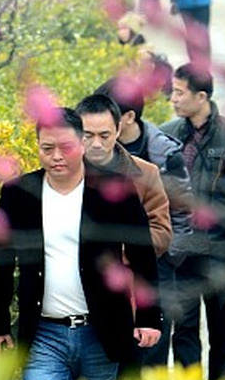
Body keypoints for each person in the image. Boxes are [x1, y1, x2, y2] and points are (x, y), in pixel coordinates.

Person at [0, 110, 161, 380]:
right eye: (47, 148)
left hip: (101, 329)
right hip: (44, 333)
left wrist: (149, 317)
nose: (56, 156)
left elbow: (142, 254)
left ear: (81, 144)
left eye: (65, 147)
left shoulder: (113, 189)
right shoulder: (19, 193)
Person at [145, 64, 225, 380]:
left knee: (221, 331)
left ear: (201, 96)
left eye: (178, 92)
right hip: (181, 250)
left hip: (219, 250)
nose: (172, 98)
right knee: (184, 328)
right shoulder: (166, 134)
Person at [74, 92, 172, 259]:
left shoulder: (145, 173)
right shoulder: (63, 171)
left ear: (118, 130)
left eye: (104, 136)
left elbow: (161, 232)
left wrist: (121, 254)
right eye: (88, 135)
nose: (96, 144)